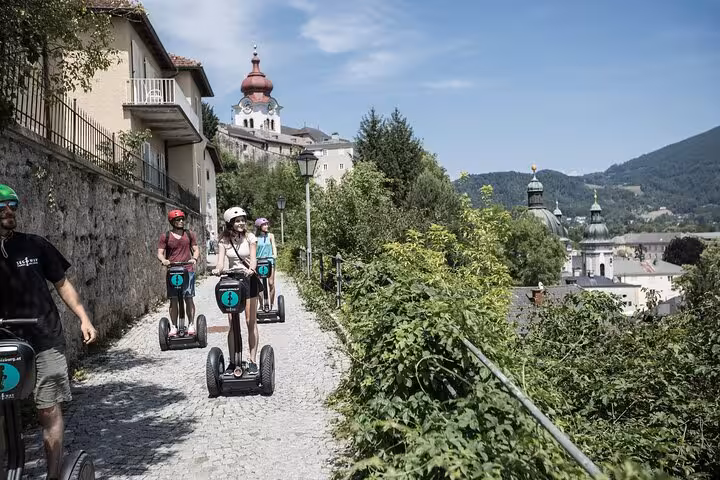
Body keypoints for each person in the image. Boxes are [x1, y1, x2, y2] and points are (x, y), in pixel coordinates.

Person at [0, 184, 98, 480]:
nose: (9, 212)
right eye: (2, 207)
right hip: (5, 340)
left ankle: (54, 474)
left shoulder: (35, 245)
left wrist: (83, 318)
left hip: (44, 336)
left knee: (47, 408)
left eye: (12, 207)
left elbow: (62, 283)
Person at [212, 207, 260, 377]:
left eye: (242, 220)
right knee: (233, 323)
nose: (241, 223)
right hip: (232, 280)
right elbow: (220, 262)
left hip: (249, 279)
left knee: (249, 321)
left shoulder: (250, 237)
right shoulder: (224, 240)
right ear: (230, 224)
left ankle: (253, 360)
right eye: (237, 221)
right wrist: (218, 270)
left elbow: (253, 260)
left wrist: (251, 269)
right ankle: (233, 361)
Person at [156, 210, 200, 336]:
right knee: (173, 299)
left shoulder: (189, 234)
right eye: (178, 220)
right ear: (172, 222)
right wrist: (164, 260)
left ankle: (191, 324)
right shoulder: (166, 236)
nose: (181, 222)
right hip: (173, 271)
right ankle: (174, 326)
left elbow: (196, 250)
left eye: (182, 219)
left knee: (188, 297)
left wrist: (194, 258)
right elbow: (160, 252)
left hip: (188, 270)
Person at [254, 217, 278, 310]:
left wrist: (274, 254)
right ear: (259, 227)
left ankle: (271, 304)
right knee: (260, 284)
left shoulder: (271, 236)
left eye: (267, 224)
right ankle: (261, 305)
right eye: (264, 225)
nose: (266, 226)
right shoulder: (255, 238)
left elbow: (273, 246)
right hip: (259, 262)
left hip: (270, 261)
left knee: (271, 283)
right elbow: (254, 250)